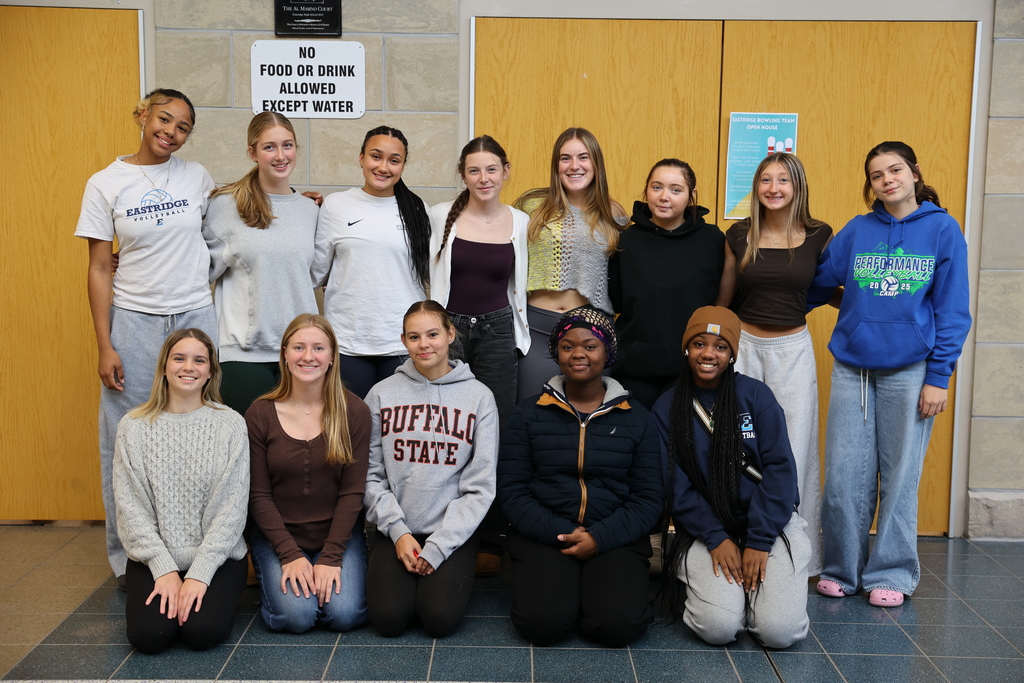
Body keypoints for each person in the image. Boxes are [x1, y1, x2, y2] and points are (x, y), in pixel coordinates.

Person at [810, 142, 971, 608]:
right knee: (843, 474)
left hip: (912, 370)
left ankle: (893, 573)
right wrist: (848, 308)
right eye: (877, 175)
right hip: (852, 368)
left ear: (915, 172)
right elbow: (819, 280)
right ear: (871, 185)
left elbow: (952, 309)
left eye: (895, 170)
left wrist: (939, 376)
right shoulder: (858, 230)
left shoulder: (942, 229)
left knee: (900, 476)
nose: (888, 180)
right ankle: (842, 569)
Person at [76, 89, 217, 588]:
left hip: (195, 313)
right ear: (141, 115)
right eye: (164, 119)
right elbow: (97, 266)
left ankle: (197, 553)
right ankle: (129, 558)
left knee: (201, 430)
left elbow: (229, 222)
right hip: (133, 318)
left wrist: (296, 202)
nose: (171, 132)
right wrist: (105, 342)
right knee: (127, 436)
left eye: (182, 127)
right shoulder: (105, 183)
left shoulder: (197, 177)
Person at [498, 306, 663, 647]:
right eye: (568, 346)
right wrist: (563, 532)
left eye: (590, 346)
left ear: (608, 353)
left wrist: (599, 538)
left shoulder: (638, 418)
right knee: (543, 626)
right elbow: (512, 492)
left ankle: (597, 593)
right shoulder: (529, 414)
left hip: (614, 533)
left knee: (617, 627)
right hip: (547, 532)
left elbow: (648, 498)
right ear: (556, 353)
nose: (578, 354)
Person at [653, 306, 810, 648]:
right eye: (699, 343)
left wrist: (758, 541)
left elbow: (781, 471)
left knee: (778, 633)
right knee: (719, 628)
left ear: (732, 354)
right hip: (705, 529)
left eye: (720, 346)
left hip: (769, 526)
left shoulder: (756, 397)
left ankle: (758, 598)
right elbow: (674, 484)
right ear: (686, 348)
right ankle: (726, 596)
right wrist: (714, 536)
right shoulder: (667, 408)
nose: (709, 353)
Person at [714, 152, 832, 575]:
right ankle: (736, 537)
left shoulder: (820, 234)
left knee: (796, 448)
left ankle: (801, 554)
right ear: (757, 187)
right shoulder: (739, 234)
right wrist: (710, 343)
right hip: (743, 346)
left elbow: (831, 287)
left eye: (783, 180)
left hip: (792, 350)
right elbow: (725, 297)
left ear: (797, 187)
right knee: (735, 442)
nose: (774, 188)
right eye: (766, 179)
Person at [363, 301, 499, 637]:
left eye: (433, 334)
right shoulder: (381, 394)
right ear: (404, 340)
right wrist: (397, 531)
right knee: (388, 619)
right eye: (414, 336)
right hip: (397, 528)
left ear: (450, 334)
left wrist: (440, 545)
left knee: (438, 619)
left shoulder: (479, 397)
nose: (424, 344)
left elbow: (480, 486)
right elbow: (369, 473)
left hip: (452, 530)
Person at [113, 328, 249, 653]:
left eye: (199, 360)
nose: (188, 367)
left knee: (202, 632)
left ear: (210, 372)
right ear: (164, 366)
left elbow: (231, 510)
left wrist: (199, 574)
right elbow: (130, 508)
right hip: (154, 558)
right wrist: (164, 570)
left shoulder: (230, 425)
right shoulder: (133, 427)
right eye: (179, 358)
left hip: (218, 556)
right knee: (150, 636)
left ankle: (211, 601)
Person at [246, 314, 371, 633]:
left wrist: (330, 557)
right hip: (278, 537)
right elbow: (258, 495)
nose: (308, 356)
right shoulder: (260, 414)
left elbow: (353, 492)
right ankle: (279, 585)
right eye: (299, 347)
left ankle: (318, 576)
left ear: (332, 357)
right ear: (285, 354)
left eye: (318, 348)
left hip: (338, 536)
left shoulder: (354, 411)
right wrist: (288, 554)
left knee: (343, 616)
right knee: (296, 618)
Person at [203, 112, 320, 415]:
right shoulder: (225, 206)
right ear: (252, 153)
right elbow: (194, 268)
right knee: (245, 455)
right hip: (243, 356)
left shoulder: (311, 210)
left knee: (294, 456)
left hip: (300, 356)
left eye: (288, 145)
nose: (280, 156)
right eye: (269, 147)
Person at [312, 126, 432, 398]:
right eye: (376, 156)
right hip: (348, 341)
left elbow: (428, 272)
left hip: (402, 341)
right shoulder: (336, 205)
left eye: (394, 160)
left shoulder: (416, 209)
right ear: (361, 158)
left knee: (398, 431)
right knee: (352, 428)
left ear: (403, 165)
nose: (383, 167)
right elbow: (315, 272)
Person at [513, 128, 628, 403]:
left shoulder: (614, 215)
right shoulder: (531, 206)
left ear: (596, 163)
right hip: (536, 334)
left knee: (587, 420)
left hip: (592, 334)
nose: (574, 166)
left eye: (583, 157)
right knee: (532, 416)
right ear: (556, 165)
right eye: (565, 158)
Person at [428, 135, 530, 428]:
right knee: (445, 420)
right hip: (448, 330)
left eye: (491, 169)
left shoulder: (521, 222)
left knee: (496, 420)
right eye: (474, 171)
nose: (483, 179)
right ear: (463, 175)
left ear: (506, 171)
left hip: (497, 333)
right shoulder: (439, 216)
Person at [609, 159, 725, 409]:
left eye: (675, 189)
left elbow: (722, 300)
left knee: (685, 443)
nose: (664, 197)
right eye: (657, 187)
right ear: (646, 190)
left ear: (691, 195)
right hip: (634, 365)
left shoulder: (713, 240)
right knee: (637, 441)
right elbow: (616, 301)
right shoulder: (625, 241)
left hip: (693, 365)